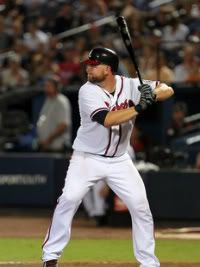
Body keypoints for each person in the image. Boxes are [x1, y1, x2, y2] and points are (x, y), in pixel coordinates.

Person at [42, 47, 174, 267]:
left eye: (94, 65)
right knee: (69, 199)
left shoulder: (131, 84)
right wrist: (141, 105)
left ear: (109, 69)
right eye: (89, 65)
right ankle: (50, 256)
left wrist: (154, 93)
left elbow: (168, 89)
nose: (89, 68)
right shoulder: (87, 91)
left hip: (120, 160)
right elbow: (108, 120)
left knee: (141, 206)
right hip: (87, 158)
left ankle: (149, 262)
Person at [36, 75, 72, 152]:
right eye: (45, 86)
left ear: (56, 87)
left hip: (58, 149)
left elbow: (63, 126)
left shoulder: (61, 101)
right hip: (47, 147)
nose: (46, 88)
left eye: (49, 86)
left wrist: (48, 140)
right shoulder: (48, 100)